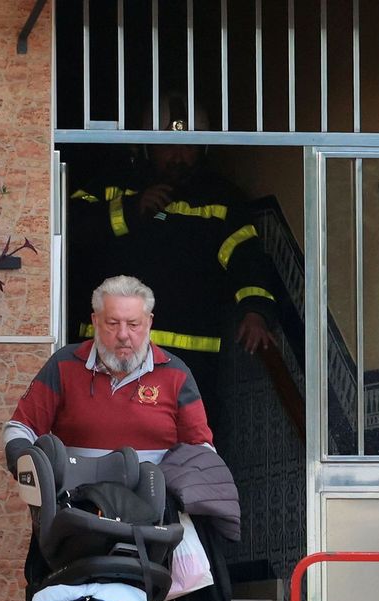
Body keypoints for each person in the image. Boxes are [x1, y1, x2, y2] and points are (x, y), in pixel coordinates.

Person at [4, 274, 209, 601]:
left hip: (150, 536)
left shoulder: (174, 374)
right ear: (95, 322)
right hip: (73, 531)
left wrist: (179, 487)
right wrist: (32, 473)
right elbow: (18, 430)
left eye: (134, 325)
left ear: (149, 325)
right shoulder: (65, 367)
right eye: (113, 323)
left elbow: (201, 449)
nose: (123, 335)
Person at [65, 95, 284, 450]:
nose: (179, 155)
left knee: (187, 452)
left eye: (189, 146)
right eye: (168, 146)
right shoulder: (111, 185)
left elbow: (246, 258)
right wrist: (130, 210)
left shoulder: (221, 200)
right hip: (110, 357)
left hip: (189, 367)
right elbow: (69, 231)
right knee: (106, 444)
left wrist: (256, 310)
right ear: (147, 146)